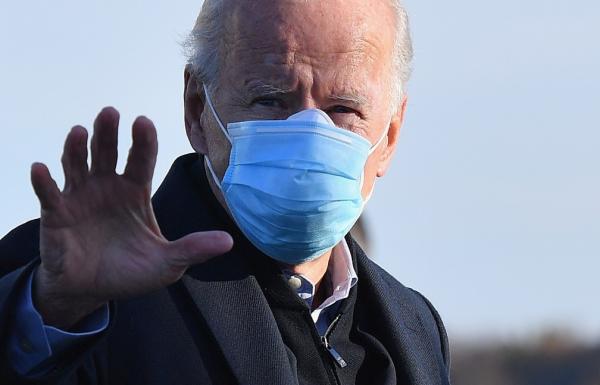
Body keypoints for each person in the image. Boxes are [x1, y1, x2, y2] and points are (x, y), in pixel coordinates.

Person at [0, 0, 451, 384]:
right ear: (197, 109)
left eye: (343, 109)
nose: (309, 135)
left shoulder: (414, 325)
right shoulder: (85, 284)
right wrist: (56, 309)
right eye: (270, 99)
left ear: (389, 136)